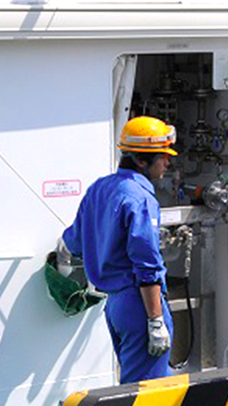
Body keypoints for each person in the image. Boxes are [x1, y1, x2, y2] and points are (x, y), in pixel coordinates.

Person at [61, 116, 176, 384]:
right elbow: (147, 264)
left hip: (115, 307)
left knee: (134, 384)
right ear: (141, 161)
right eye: (163, 156)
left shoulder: (99, 188)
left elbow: (73, 243)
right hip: (140, 306)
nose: (168, 163)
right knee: (147, 393)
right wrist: (155, 320)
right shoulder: (141, 198)